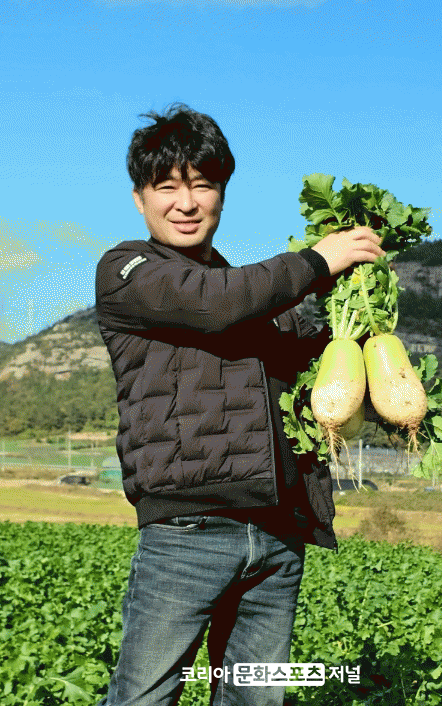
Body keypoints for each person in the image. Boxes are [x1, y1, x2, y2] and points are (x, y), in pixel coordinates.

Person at [95, 103, 385, 706]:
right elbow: (215, 302)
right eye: (167, 187)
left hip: (277, 535)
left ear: (222, 194)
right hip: (188, 531)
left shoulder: (265, 301)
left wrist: (362, 332)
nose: (186, 203)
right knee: (144, 698)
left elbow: (318, 373)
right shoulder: (129, 271)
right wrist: (317, 261)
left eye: (203, 185)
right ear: (139, 199)